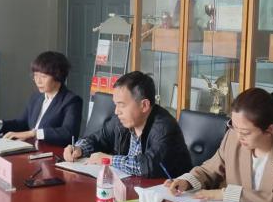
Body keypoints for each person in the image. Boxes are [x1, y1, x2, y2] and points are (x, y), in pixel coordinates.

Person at [166, 88, 273, 202]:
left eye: (245, 132)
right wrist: (186, 181)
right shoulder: (233, 137)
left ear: (270, 129)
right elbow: (209, 170)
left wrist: (226, 194)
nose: (238, 136)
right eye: (233, 126)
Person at [63, 71, 191, 178]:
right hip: (130, 187)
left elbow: (148, 166)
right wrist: (79, 149)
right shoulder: (120, 121)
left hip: (168, 194)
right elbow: (97, 138)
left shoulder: (164, 127)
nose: (116, 111)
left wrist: (109, 160)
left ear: (144, 105)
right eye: (115, 104)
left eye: (121, 105)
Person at [0, 51, 81, 147]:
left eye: (43, 76)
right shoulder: (36, 97)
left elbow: (68, 133)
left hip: (53, 152)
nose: (38, 81)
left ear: (58, 76)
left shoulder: (71, 101)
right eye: (35, 75)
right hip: (31, 148)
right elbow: (22, 123)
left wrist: (33, 133)